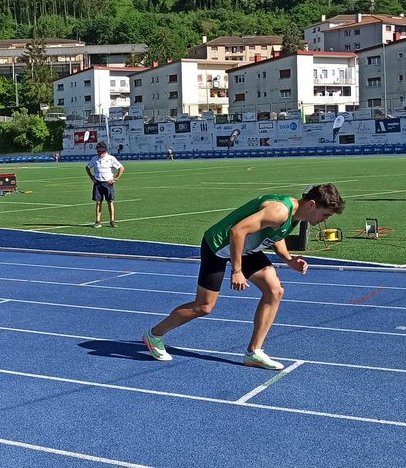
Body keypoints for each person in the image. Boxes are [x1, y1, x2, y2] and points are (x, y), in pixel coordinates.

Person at [142, 183, 345, 369]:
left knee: (274, 291)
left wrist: (289, 260)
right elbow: (237, 231)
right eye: (326, 214)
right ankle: (154, 335)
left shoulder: (295, 215)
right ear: (312, 204)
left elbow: (276, 234)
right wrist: (237, 271)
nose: (325, 220)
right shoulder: (279, 211)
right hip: (219, 246)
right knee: (204, 306)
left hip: (247, 249)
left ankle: (254, 352)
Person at [86, 141, 124, 228]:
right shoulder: (95, 158)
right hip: (98, 183)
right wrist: (92, 177)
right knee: (98, 202)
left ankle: (112, 221)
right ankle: (98, 221)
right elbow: (87, 167)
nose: (98, 152)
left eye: (100, 150)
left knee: (110, 202)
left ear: (104, 150)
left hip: (108, 183)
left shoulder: (111, 158)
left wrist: (116, 178)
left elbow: (121, 168)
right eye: (98, 150)